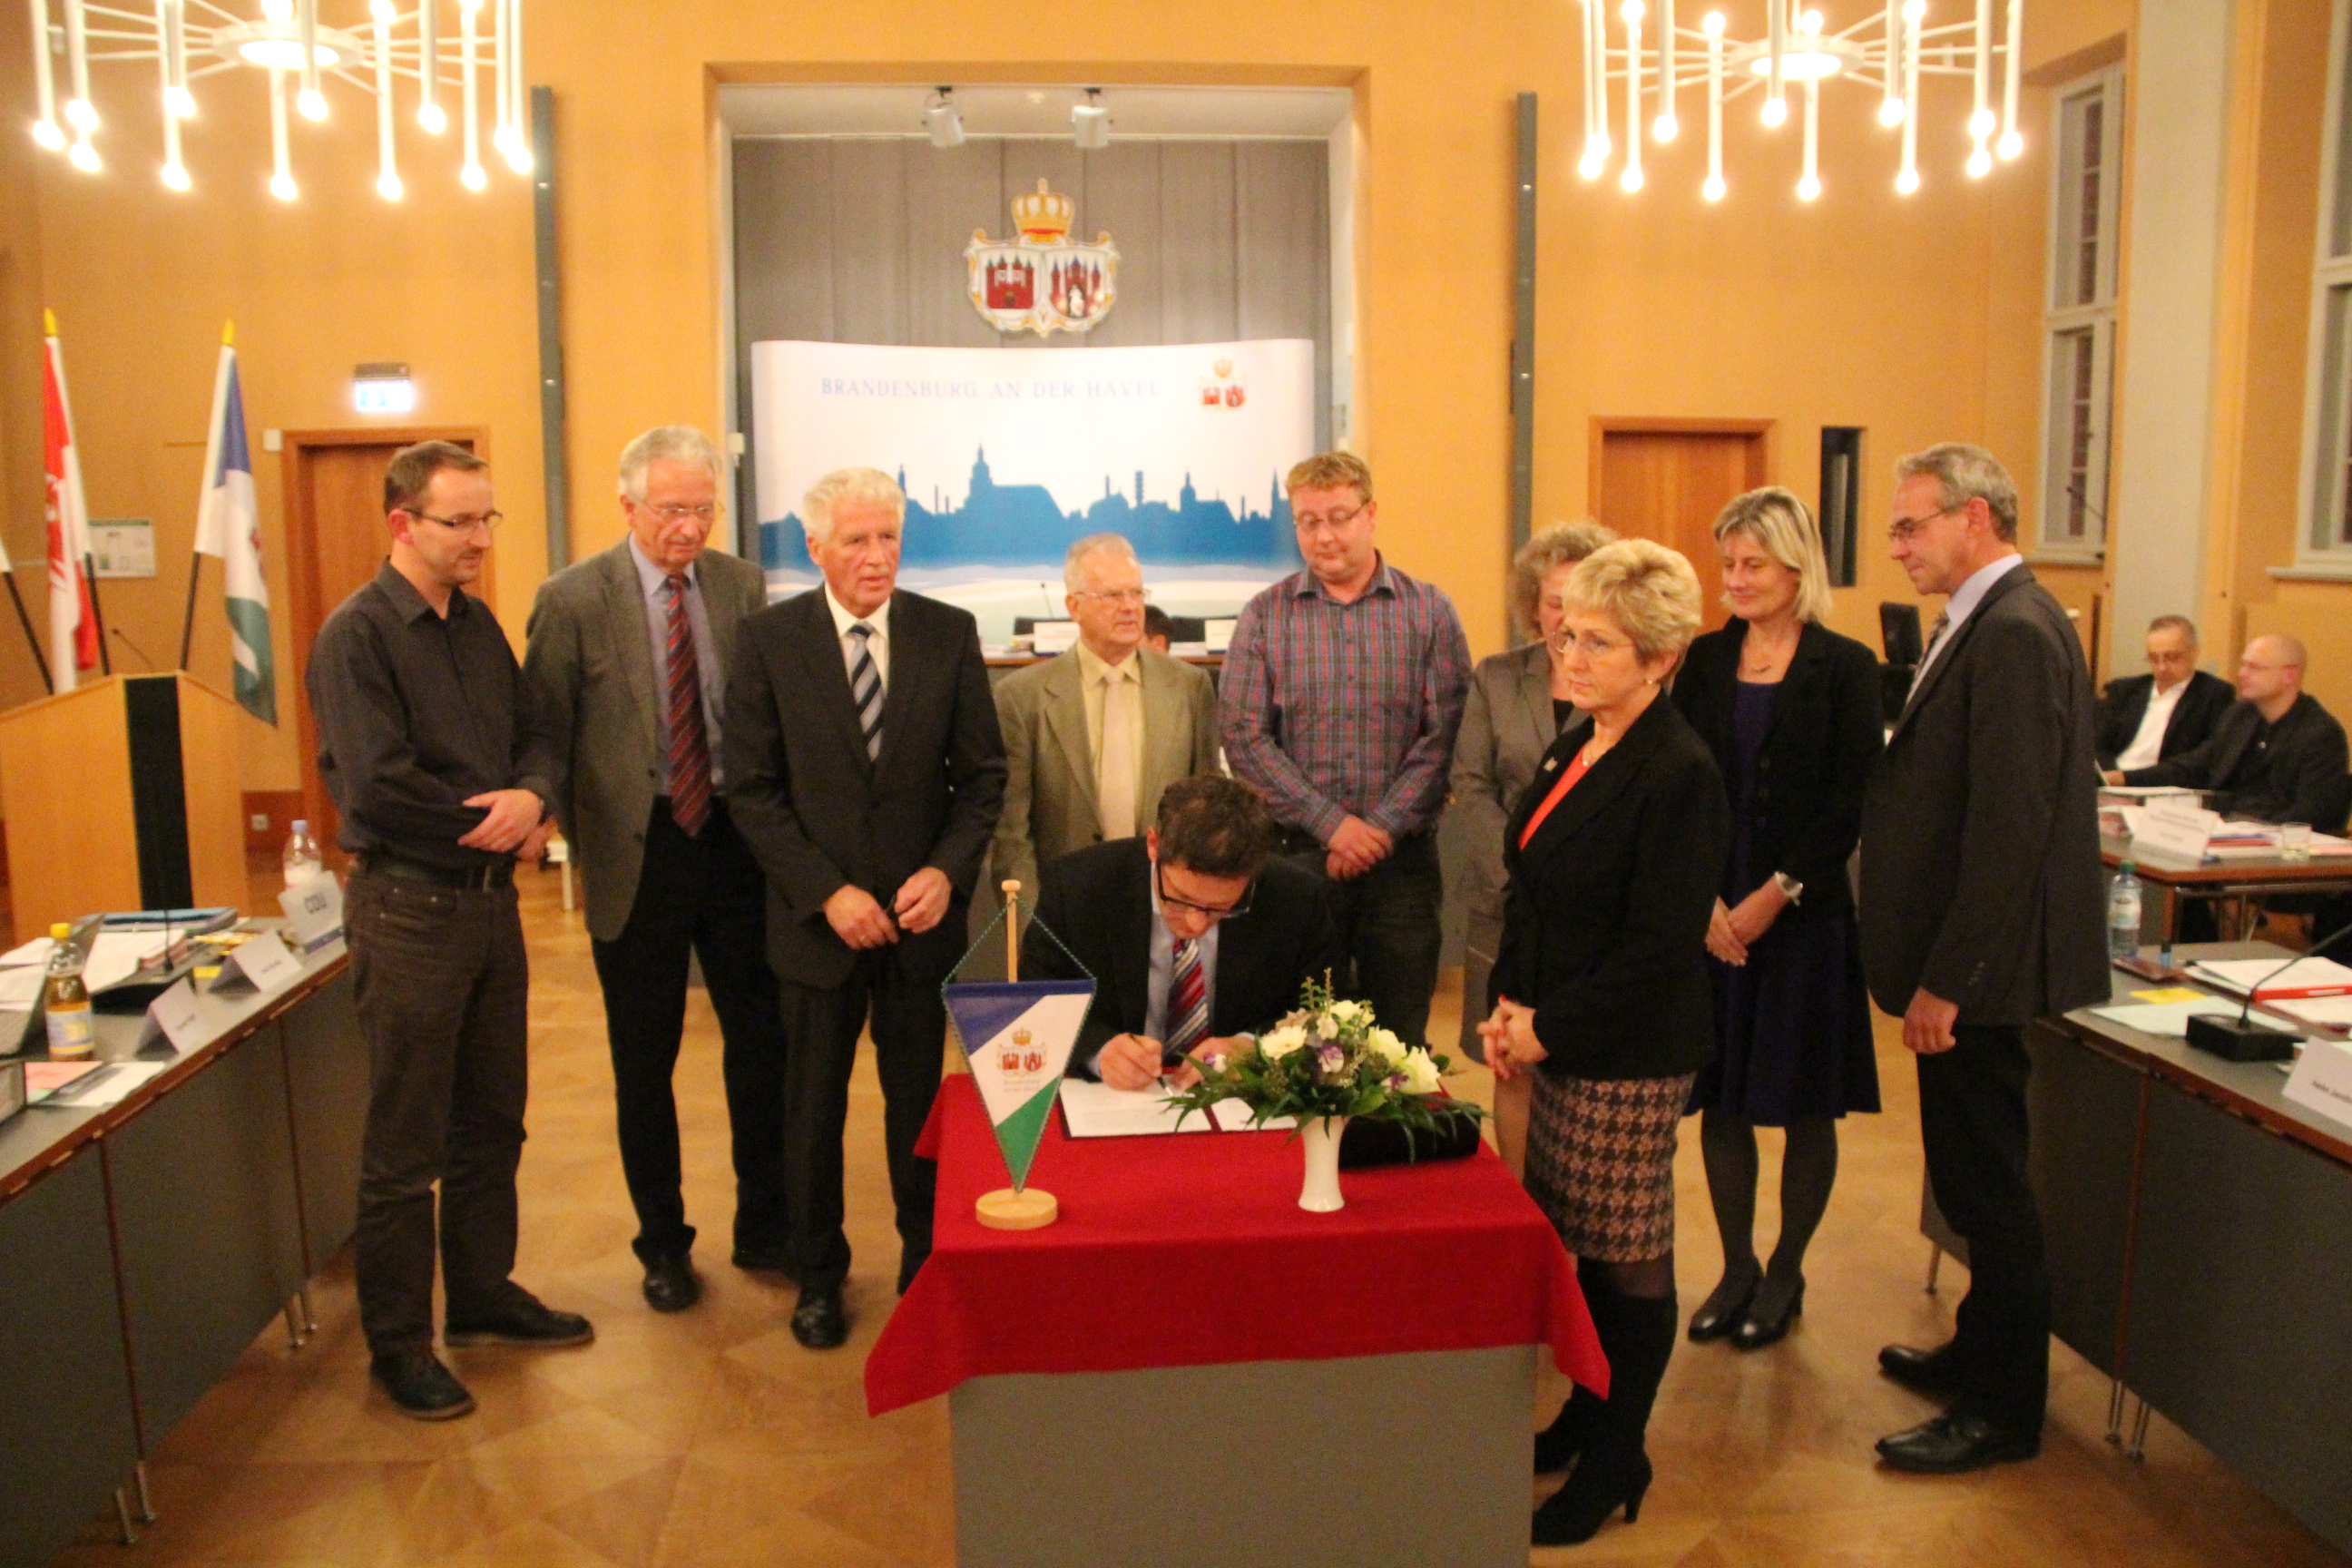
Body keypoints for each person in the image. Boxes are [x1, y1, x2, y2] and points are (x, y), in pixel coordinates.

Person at [308, 440, 590, 1421]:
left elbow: (536, 734)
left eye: (486, 519)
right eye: (459, 522)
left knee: (492, 1118)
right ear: (403, 524)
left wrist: (535, 793)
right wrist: (499, 821)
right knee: (405, 1144)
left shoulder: (476, 627)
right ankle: (399, 1346)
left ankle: (479, 1295)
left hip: (486, 909)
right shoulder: (357, 637)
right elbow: (377, 785)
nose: (479, 539)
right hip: (409, 910)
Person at [1861, 443, 2107, 1475]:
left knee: (1992, 1191)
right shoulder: (1984, 618)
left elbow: (2012, 828)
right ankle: (1979, 1350)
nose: (1896, 545)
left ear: (1974, 517)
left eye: (1910, 524)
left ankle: (2003, 1411)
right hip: (1971, 962)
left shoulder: (2013, 630)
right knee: (1966, 1178)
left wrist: (1948, 981)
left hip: (1984, 974)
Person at [724, 466, 1005, 1351]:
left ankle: (924, 1266)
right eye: (857, 540)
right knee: (811, 1112)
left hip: (920, 928)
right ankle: (818, 1277)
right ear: (816, 547)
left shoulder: (946, 632)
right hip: (818, 931)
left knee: (918, 1109)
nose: (878, 556)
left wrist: (946, 874)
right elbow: (752, 791)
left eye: (889, 537)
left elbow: (982, 779)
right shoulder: (768, 642)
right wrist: (827, 892)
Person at [1479, 539, 1727, 1546]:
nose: (1570, 659)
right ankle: (1590, 1412)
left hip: (1626, 1053)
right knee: (1579, 1239)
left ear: (1659, 659)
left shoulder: (1680, 772)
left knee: (1629, 1260)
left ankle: (1621, 1453)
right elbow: (1533, 891)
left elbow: (1657, 951)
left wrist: (1549, 1026)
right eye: (1567, 636)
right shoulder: (1577, 740)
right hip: (1555, 1034)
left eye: (1598, 644)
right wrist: (1508, 1004)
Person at [523, 425, 789, 1315]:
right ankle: (663, 1243)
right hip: (638, 853)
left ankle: (765, 1223)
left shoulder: (741, 584)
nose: (689, 528)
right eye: (672, 510)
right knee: (646, 1059)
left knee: (761, 1044)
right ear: (628, 504)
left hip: (735, 845)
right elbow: (546, 733)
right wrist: (558, 827)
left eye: (703, 510)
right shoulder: (572, 599)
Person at [1672, 487, 1882, 1353]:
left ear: (1798, 568)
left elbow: (1849, 801)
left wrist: (1775, 894)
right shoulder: (1706, 659)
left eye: (1753, 564)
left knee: (1804, 1105)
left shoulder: (1847, 666)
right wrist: (1705, 899)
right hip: (1714, 913)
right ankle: (1736, 1267)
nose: (1735, 579)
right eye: (1728, 564)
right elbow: (1681, 782)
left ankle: (1787, 1269)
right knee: (1721, 1100)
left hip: (1804, 916)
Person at [1221, 451, 1471, 1047]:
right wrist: (1333, 826)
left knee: (1398, 1039)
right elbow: (1244, 737)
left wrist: (1377, 830)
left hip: (1402, 866)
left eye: (1339, 517)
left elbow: (1446, 736)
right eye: (1308, 522)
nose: (1324, 536)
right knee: (1297, 1037)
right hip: (1295, 859)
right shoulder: (1264, 616)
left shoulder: (1430, 610)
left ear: (1371, 514)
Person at [1447, 517, 1619, 1175]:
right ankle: (1521, 1200)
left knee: (1583, 1060)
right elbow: (1471, 782)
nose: (1566, 619)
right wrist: (1519, 872)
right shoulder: (1496, 677)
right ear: (1533, 604)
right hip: (1506, 902)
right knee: (1510, 1060)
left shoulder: (1625, 680)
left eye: (1583, 602)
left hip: (1594, 909)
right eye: (1554, 602)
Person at [1025, 773, 1343, 1088]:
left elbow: (1326, 1012)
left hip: (1236, 1098)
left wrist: (1252, 1047)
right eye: (1180, 898)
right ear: (1154, 845)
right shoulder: (1078, 886)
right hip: (1111, 1097)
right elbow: (1037, 999)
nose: (1196, 924)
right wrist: (1098, 1050)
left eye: (1220, 907)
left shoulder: (1296, 898)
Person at [991, 534, 1221, 900]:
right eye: (1112, 596)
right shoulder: (1021, 697)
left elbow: (1206, 810)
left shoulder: (1189, 687)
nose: (1129, 607)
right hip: (1063, 903)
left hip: (1167, 903)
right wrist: (1031, 923)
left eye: (1136, 593)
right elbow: (1011, 832)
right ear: (1074, 606)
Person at [2109, 634, 2350, 828]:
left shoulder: (2320, 734)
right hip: (2227, 825)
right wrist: (2123, 778)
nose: (2241, 674)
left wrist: (2250, 829)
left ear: (2290, 676)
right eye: (2243, 665)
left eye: (2255, 668)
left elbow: (2314, 812)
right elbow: (2194, 766)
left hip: (2273, 841)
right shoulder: (2239, 716)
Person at [2094, 615, 2233, 771]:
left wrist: (2126, 779)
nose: (2162, 668)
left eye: (2172, 657)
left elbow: (2203, 758)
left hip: (2163, 780)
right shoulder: (2124, 691)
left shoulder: (2214, 695)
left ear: (2194, 653)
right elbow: (2096, 744)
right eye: (2154, 658)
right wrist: (2106, 777)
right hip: (2111, 776)